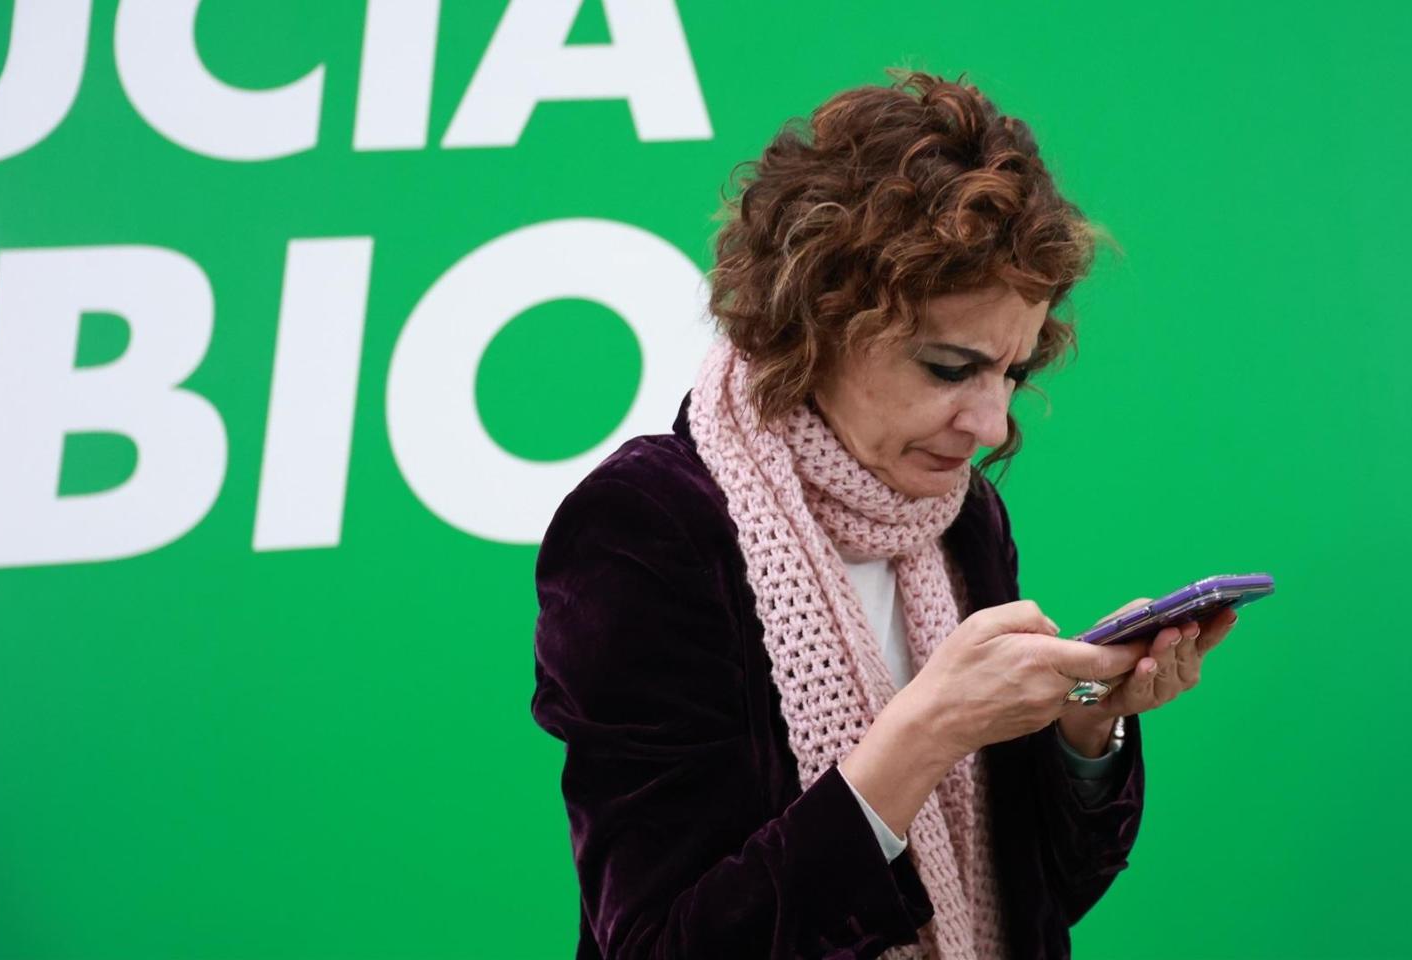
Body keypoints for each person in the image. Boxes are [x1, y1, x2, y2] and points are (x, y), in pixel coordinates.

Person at [530, 69, 1241, 959]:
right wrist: (924, 734)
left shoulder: (960, 516)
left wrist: (1090, 722)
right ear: (817, 320)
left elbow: (1037, 898)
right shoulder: (648, 528)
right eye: (951, 368)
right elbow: (664, 944)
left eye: (1012, 374)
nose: (990, 425)